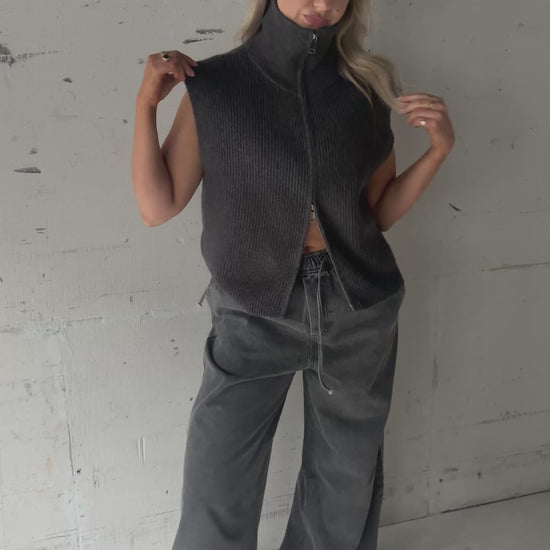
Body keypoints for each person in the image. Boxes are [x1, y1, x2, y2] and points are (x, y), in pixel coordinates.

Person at [131, 0, 454, 548]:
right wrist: (146, 106)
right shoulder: (217, 85)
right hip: (253, 311)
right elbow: (156, 207)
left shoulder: (366, 89)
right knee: (218, 481)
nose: (320, 4)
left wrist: (438, 151)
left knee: (343, 483)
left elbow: (376, 213)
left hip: (356, 309)